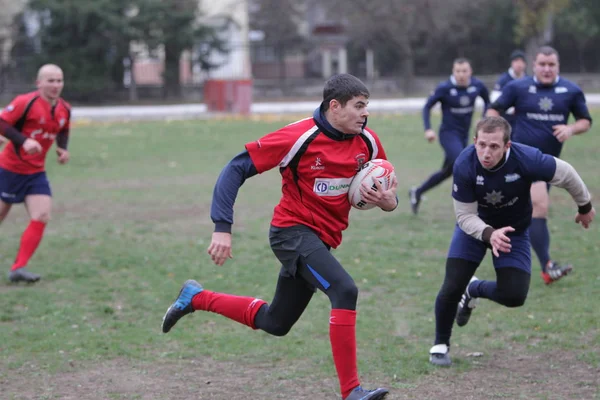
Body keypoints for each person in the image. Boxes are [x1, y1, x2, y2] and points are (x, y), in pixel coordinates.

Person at [161, 74, 397, 400]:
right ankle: (352, 392)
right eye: (358, 106)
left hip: (322, 239)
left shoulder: (367, 142)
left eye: (366, 106)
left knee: (276, 321)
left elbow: (388, 193)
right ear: (334, 106)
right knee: (344, 290)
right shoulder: (299, 137)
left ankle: (195, 298)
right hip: (291, 234)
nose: (364, 113)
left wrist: (388, 202)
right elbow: (235, 168)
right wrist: (222, 226)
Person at [428, 116, 595, 366]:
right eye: (482, 144)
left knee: (514, 295)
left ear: (507, 146)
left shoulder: (527, 159)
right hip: (474, 229)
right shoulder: (465, 163)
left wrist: (585, 206)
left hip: (513, 232)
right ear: (475, 141)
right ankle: (440, 344)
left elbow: (566, 173)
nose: (486, 152)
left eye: (494, 146)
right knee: (452, 285)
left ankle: (473, 289)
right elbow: (464, 215)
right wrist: (488, 233)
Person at [486, 46, 592, 284]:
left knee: (522, 213)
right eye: (542, 64)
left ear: (558, 66)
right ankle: (547, 266)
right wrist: (496, 130)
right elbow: (494, 109)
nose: (546, 69)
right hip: (521, 159)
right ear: (534, 65)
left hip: (549, 165)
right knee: (540, 206)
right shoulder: (517, 87)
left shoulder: (571, 91)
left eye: (551, 65)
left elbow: (586, 120)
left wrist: (571, 128)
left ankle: (493, 243)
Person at [0, 64, 71, 283]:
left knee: (41, 215)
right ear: (38, 83)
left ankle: (18, 268)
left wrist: (62, 148)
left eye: (59, 80)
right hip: (9, 169)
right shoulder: (25, 102)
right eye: (50, 80)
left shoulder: (64, 108)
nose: (55, 85)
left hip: (36, 173)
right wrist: (24, 141)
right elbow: (2, 123)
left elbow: (63, 128)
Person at [409, 58, 490, 214]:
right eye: (458, 71)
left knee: (447, 171)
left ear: (470, 72)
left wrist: (484, 116)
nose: (461, 75)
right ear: (453, 72)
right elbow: (427, 107)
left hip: (464, 135)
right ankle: (473, 204)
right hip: (448, 134)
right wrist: (428, 129)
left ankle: (417, 191)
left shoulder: (477, 86)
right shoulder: (444, 88)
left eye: (464, 71)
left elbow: (488, 102)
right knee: (464, 161)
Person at [490, 50, 528, 129]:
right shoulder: (503, 80)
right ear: (512, 63)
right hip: (505, 119)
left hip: (522, 120)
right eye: (516, 61)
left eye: (521, 61)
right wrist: (511, 109)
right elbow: (494, 99)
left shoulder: (527, 80)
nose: (519, 64)